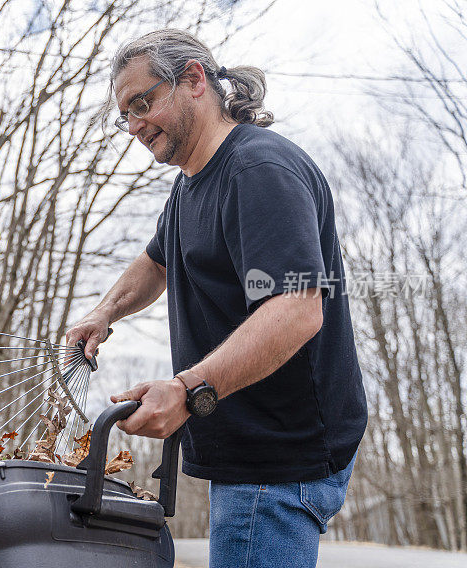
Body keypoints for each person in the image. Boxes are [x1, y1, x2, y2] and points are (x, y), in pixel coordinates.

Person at [65, 29, 367, 568]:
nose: (134, 126)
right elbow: (156, 261)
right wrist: (104, 312)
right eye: (125, 114)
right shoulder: (190, 185)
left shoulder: (258, 170)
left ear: (194, 80)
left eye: (143, 103)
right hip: (245, 453)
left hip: (278, 460)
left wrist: (186, 389)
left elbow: (297, 308)